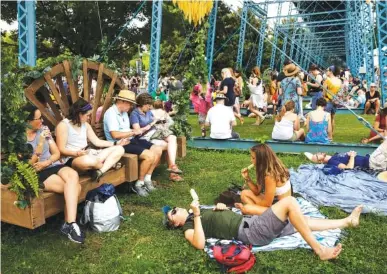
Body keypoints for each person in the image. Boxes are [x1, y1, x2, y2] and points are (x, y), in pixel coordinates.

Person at [163, 198, 363, 260]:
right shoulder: (188, 226)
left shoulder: (195, 215)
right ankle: (320, 251)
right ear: (176, 223)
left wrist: (220, 209)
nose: (176, 208)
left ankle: (346, 222)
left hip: (250, 223)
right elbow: (198, 243)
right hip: (251, 231)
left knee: (301, 221)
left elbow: (216, 219)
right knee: (290, 203)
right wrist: (197, 214)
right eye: (173, 212)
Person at [24, 104, 84, 243]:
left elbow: (56, 153)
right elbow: (27, 165)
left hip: (51, 164)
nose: (42, 122)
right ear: (27, 121)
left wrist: (47, 162)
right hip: (37, 173)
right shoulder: (21, 139)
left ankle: (70, 223)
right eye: (38, 119)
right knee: (76, 188)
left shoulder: (44, 130)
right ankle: (68, 225)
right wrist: (39, 145)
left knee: (73, 176)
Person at [103, 90, 163, 197]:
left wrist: (134, 132)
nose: (131, 106)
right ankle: (139, 184)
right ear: (122, 101)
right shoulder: (111, 113)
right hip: (120, 144)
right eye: (130, 104)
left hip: (130, 139)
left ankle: (147, 179)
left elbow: (128, 131)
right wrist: (133, 132)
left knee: (157, 149)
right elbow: (115, 135)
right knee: (149, 156)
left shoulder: (124, 113)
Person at [56, 98, 127, 182]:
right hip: (73, 158)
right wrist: (76, 153)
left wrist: (115, 143)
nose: (89, 118)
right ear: (80, 114)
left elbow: (97, 141)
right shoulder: (63, 125)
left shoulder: (85, 125)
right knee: (88, 161)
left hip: (89, 154)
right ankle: (109, 165)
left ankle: (100, 171)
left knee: (120, 149)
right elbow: (61, 149)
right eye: (88, 115)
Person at [130, 93, 183, 182]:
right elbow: (138, 132)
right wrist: (152, 124)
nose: (150, 107)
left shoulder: (148, 112)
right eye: (148, 105)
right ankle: (172, 172)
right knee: (169, 146)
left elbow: (153, 121)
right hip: (145, 138)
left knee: (172, 138)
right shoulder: (135, 114)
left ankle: (172, 166)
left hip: (155, 133)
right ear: (142, 104)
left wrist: (159, 121)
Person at [235, 144, 292, 216]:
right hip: (274, 203)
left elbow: (267, 204)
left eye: (253, 158)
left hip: (281, 212)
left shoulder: (270, 175)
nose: (251, 160)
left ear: (261, 160)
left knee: (246, 209)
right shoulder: (263, 168)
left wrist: (252, 207)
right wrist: (247, 178)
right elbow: (257, 191)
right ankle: (256, 214)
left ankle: (256, 215)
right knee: (244, 194)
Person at [305, 138, 387, 171]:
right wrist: (351, 156)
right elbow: (348, 168)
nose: (318, 153)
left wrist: (348, 154)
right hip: (372, 163)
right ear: (320, 162)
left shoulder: (334, 156)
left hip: (371, 159)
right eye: (316, 155)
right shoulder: (332, 162)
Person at [323, 65, 342, 135]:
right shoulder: (339, 80)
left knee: (326, 118)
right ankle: (332, 132)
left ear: (331, 71)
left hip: (328, 100)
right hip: (335, 101)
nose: (326, 71)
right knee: (332, 117)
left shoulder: (327, 80)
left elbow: (324, 92)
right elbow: (341, 91)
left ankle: (327, 133)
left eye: (327, 70)